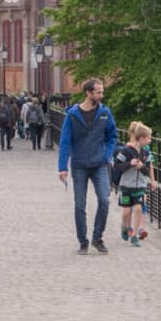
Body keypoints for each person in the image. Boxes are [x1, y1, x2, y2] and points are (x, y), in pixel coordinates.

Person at [56, 78, 117, 254]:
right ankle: (83, 242)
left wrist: (107, 155)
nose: (101, 95)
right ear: (88, 93)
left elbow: (112, 136)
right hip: (79, 165)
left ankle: (98, 238)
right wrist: (62, 167)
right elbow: (65, 141)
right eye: (98, 92)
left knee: (104, 200)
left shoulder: (105, 113)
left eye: (102, 92)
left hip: (99, 164)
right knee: (79, 205)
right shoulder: (72, 115)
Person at [116, 121, 155, 246]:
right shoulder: (126, 151)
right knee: (126, 211)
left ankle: (134, 236)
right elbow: (117, 166)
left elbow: (147, 170)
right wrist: (130, 164)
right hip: (126, 186)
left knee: (138, 209)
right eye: (149, 138)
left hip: (140, 186)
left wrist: (141, 166)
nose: (150, 141)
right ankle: (124, 227)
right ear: (142, 138)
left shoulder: (146, 152)